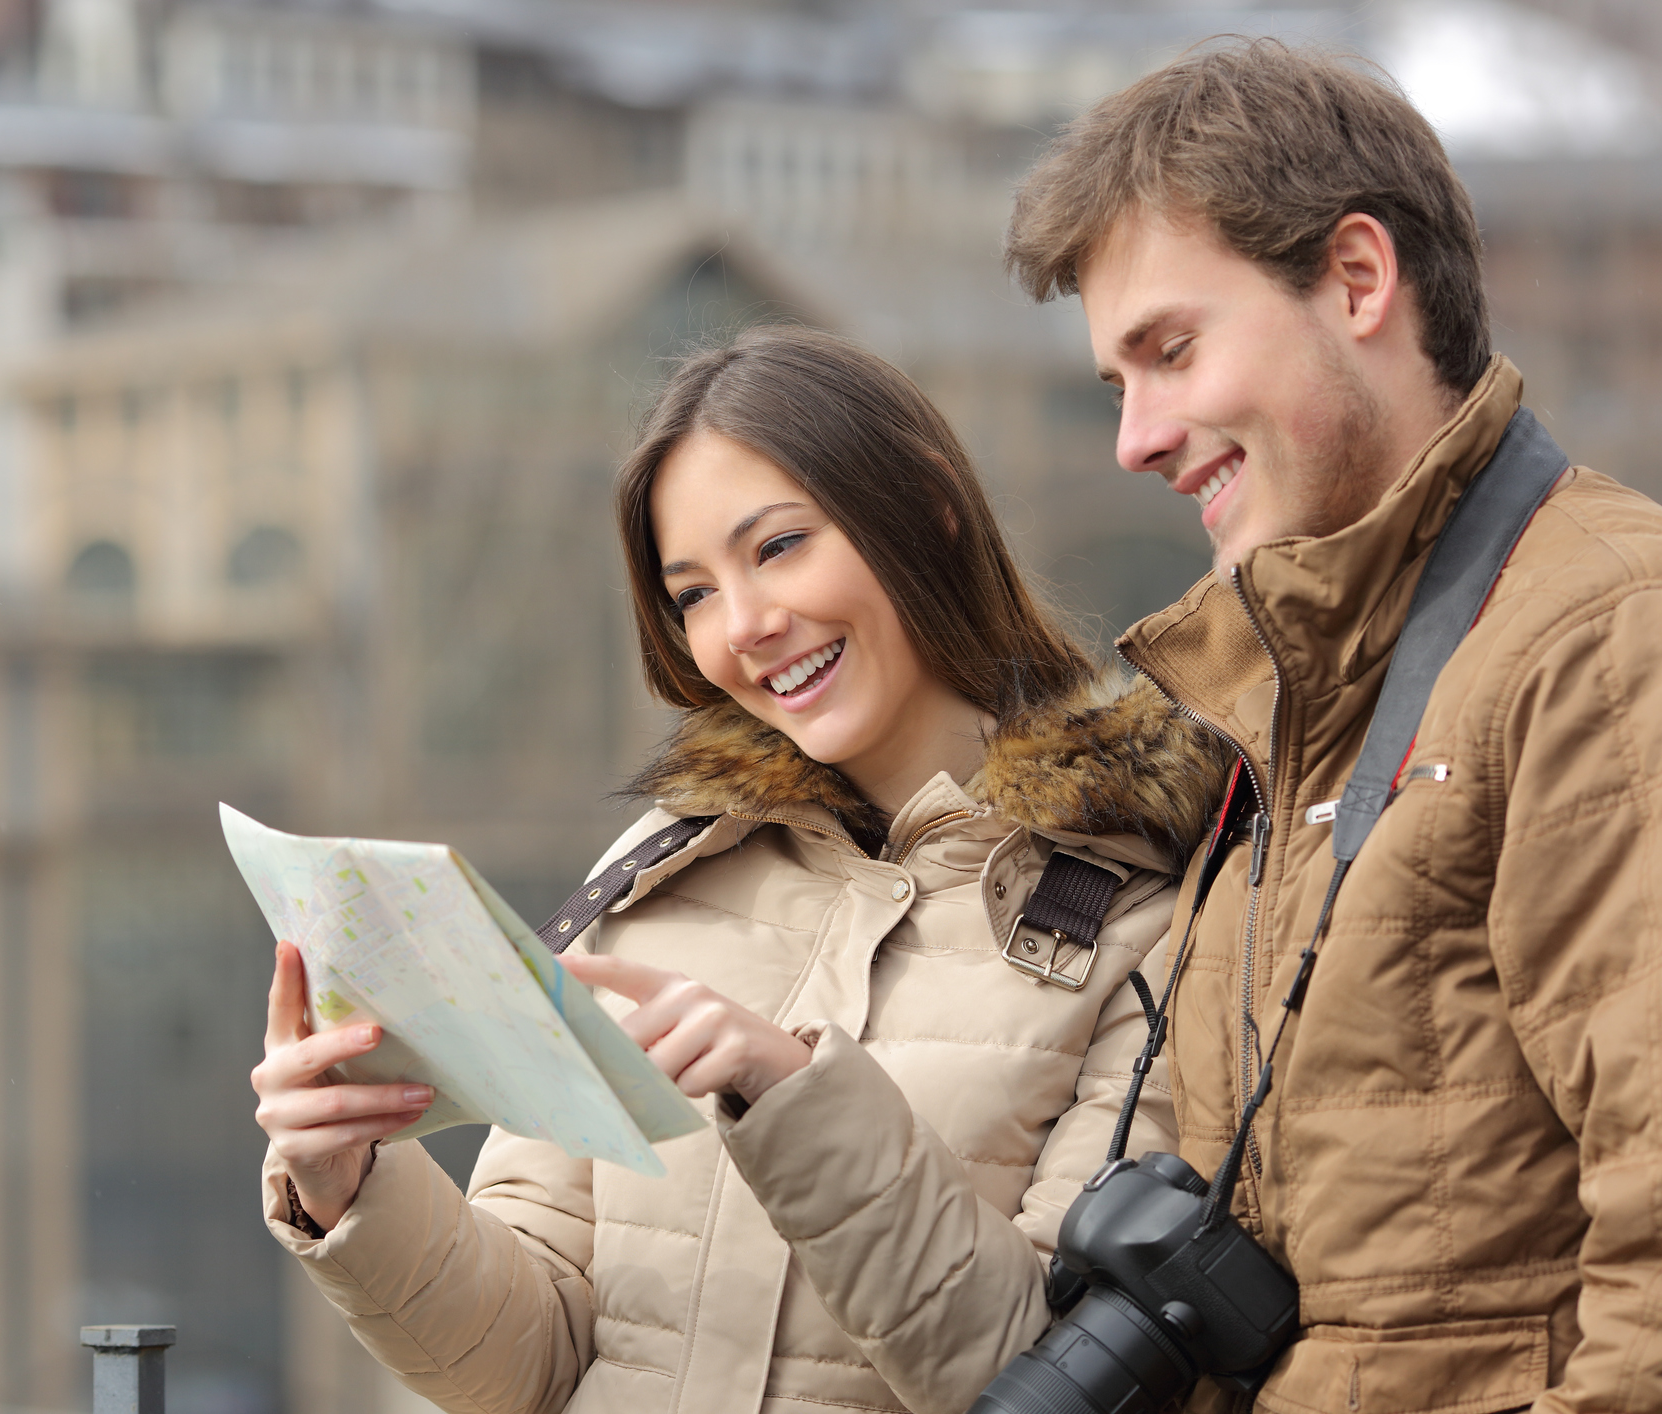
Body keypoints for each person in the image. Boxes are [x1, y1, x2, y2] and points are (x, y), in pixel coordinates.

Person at [252, 324, 1229, 1414]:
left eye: (777, 547)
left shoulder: (1153, 912)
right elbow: (527, 1365)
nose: (746, 627)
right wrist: (349, 1191)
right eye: (694, 594)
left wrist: (792, 1095)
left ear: (928, 507)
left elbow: (1055, 1382)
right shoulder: (663, 871)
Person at [1003, 39, 1662, 1414]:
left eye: (1169, 350)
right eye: (1116, 381)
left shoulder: (1603, 638)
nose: (1133, 436)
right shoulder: (1282, 697)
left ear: (1357, 279)